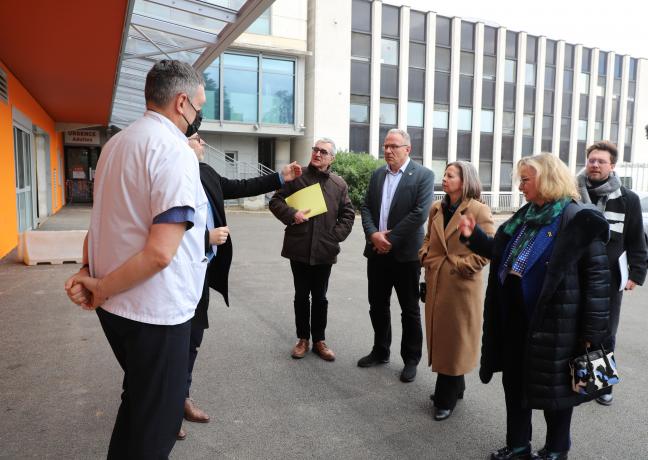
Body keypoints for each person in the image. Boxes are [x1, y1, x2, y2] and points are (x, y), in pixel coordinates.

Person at [64, 60, 207, 459]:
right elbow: (161, 252)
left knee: (138, 401)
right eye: (199, 106)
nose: (199, 115)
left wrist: (91, 276)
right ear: (182, 102)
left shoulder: (115, 144)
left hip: (117, 306)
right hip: (156, 311)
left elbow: (105, 221)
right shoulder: (174, 152)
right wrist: (100, 285)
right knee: (156, 427)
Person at [457, 153, 610, 460]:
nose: (520, 184)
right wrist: (473, 237)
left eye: (526, 179)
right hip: (514, 317)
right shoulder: (525, 215)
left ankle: (556, 450)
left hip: (557, 324)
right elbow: (500, 253)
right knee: (514, 385)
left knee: (557, 392)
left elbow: (597, 281)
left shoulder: (579, 219)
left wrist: (592, 334)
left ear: (548, 179)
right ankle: (517, 446)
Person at [179, 134, 302, 439]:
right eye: (195, 138)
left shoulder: (205, 172)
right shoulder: (168, 175)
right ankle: (163, 410)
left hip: (202, 271)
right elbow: (157, 231)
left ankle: (181, 397)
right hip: (174, 274)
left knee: (193, 338)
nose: (202, 142)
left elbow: (240, 187)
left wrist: (279, 177)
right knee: (170, 342)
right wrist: (205, 239)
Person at [418, 161, 494, 421]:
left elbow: (488, 250)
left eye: (451, 175)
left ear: (465, 180)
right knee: (443, 338)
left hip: (461, 286)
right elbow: (428, 238)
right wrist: (425, 255)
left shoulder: (478, 210)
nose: (445, 179)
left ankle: (445, 398)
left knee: (455, 340)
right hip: (437, 280)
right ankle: (456, 386)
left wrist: (464, 267)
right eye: (445, 175)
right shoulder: (437, 208)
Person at [357, 128, 434, 383]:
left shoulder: (423, 175)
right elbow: (366, 206)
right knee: (377, 305)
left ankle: (411, 359)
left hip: (405, 256)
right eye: (385, 146)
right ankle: (381, 350)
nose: (388, 150)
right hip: (377, 253)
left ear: (407, 149)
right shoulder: (378, 174)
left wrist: (388, 239)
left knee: (409, 309)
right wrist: (373, 235)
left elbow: (419, 213)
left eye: (394, 146)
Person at [269, 138, 355, 361]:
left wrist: (334, 237)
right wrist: (292, 215)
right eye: (315, 149)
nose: (317, 154)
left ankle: (319, 340)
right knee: (300, 296)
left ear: (331, 158)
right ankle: (302, 339)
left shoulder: (338, 185)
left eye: (323, 151)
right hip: (298, 247)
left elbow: (348, 214)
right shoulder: (297, 176)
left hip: (325, 251)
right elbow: (275, 201)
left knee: (320, 297)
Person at [576, 140, 647, 406]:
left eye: (600, 161)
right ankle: (579, 381)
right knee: (574, 328)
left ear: (612, 165)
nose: (594, 165)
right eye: (591, 160)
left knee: (605, 332)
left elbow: (636, 240)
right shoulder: (572, 192)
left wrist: (636, 273)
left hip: (609, 278)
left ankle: (602, 385)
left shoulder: (628, 199)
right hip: (575, 275)